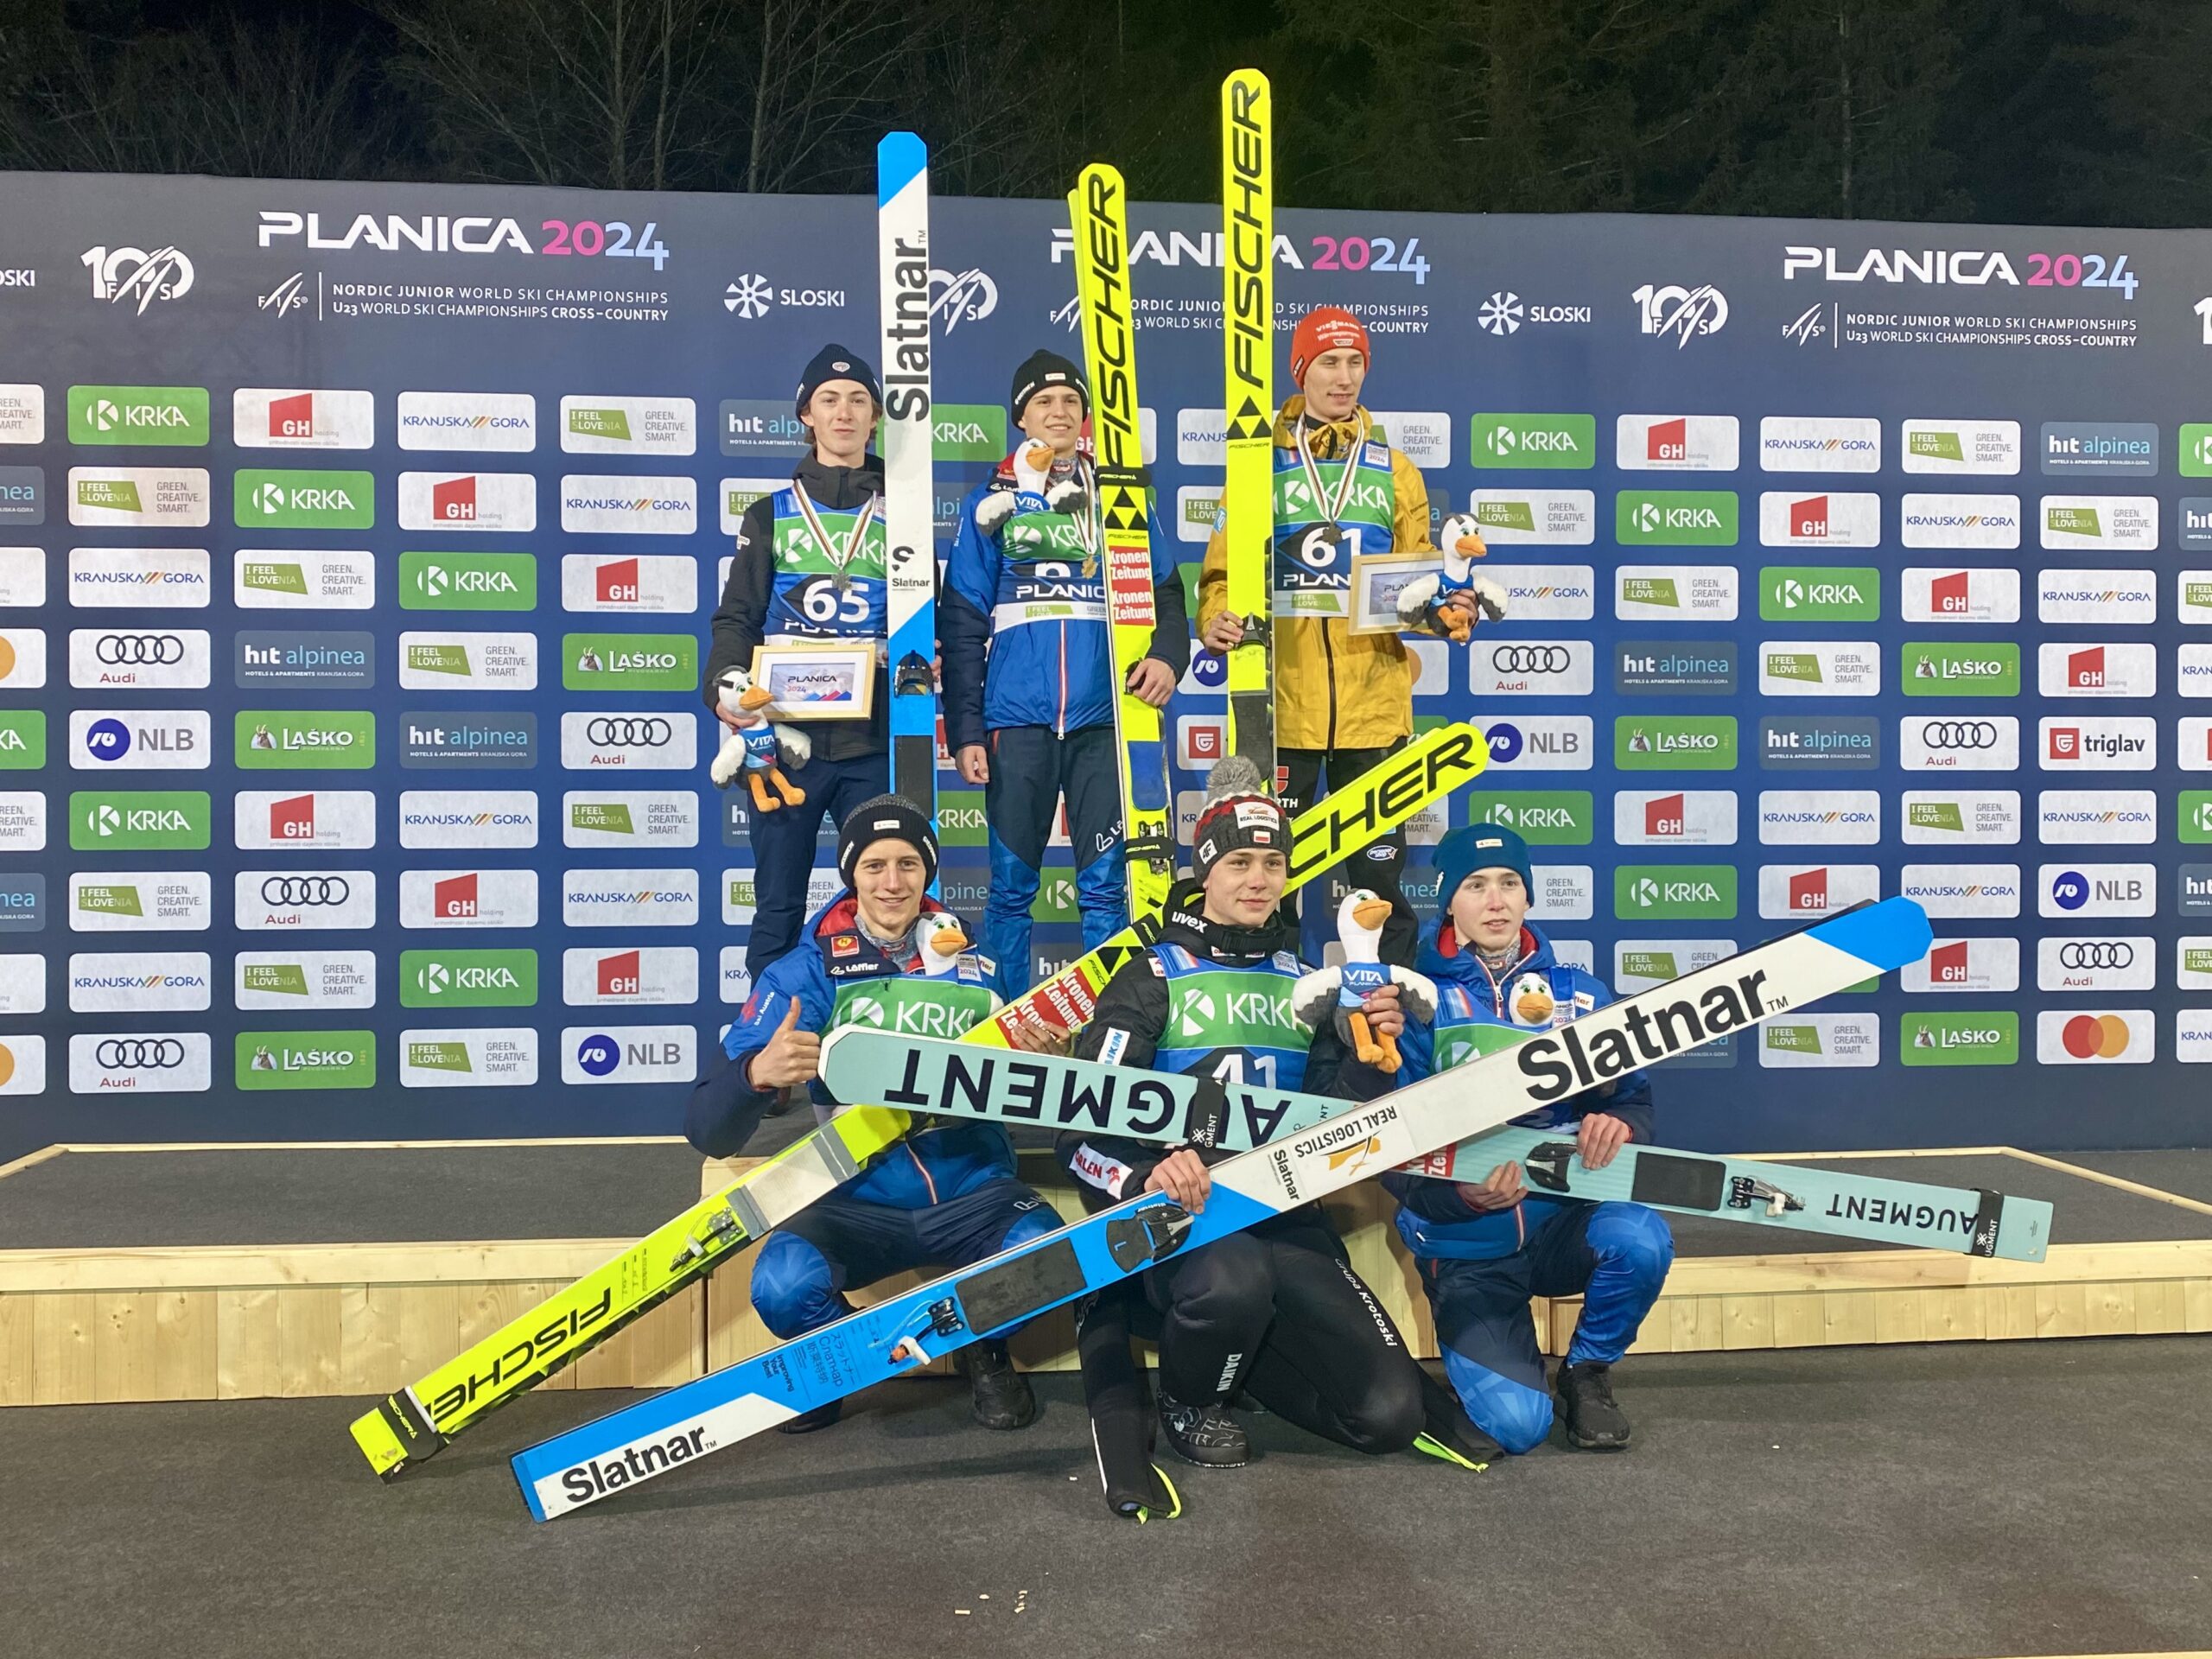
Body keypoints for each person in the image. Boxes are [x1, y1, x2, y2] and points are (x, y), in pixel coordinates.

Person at [1055, 763, 1484, 1473]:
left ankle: (1242, 1362)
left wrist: (1363, 1063)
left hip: (1285, 1219)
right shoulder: (1150, 975)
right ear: (1206, 871)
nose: (1258, 879)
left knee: (1387, 1416)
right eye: (1240, 862)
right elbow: (1078, 1134)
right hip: (1183, 1225)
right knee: (1234, 1280)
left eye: (1273, 863)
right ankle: (1191, 1398)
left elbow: (1332, 1124)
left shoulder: (1303, 980)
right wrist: (1143, 1173)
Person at [684, 797, 1064, 1433]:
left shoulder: (978, 964)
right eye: (875, 865)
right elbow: (708, 1128)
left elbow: (1035, 1083)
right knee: (782, 1287)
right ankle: (836, 1366)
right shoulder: (807, 970)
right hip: (857, 1200)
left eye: (910, 864)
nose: (893, 883)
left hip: (974, 1190)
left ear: (929, 871)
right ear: (851, 873)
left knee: (1051, 1262)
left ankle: (986, 1350)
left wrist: (1048, 1059)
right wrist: (756, 1075)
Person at [1197, 306, 1497, 962]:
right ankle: (1266, 1029)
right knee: (1264, 883)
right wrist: (1213, 616)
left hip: (1375, 704)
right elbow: (1220, 574)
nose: (1344, 378)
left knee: (1380, 887)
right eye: (1329, 362)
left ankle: (1394, 1050)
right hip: (1282, 709)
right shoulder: (1259, 468)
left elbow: (1421, 581)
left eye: (1355, 362)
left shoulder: (1395, 468)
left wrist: (1446, 611)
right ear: (1301, 370)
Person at [1382, 823, 1676, 1453]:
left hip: (1560, 1225)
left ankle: (1587, 1373)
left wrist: (1620, 1120)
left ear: (1529, 896)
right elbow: (1389, 1153)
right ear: (1448, 901)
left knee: (1642, 1238)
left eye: (1510, 883)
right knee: (1517, 1428)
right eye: (1476, 885)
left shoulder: (1580, 994)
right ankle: (1503, 1366)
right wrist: (1461, 1198)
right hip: (1467, 1247)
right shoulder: (1415, 1001)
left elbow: (1634, 1098)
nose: (1496, 900)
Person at [941, 349, 1190, 998]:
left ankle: (1107, 1027)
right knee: (1010, 892)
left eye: (1071, 404)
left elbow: (1167, 594)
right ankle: (1003, 1035)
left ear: (1085, 421)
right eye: (1043, 403)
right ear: (1021, 418)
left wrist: (1167, 656)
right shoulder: (988, 505)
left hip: (1104, 719)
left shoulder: (1120, 501)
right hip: (1015, 723)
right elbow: (963, 624)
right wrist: (965, 730)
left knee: (1108, 891)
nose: (1059, 413)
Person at [703, 344, 894, 982]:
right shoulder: (771, 514)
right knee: (779, 906)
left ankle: (877, 1049)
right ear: (806, 415)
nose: (845, 413)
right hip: (785, 742)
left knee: (888, 909)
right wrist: (725, 686)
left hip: (874, 741)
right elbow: (736, 619)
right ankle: (767, 1068)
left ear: (876, 419)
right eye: (829, 400)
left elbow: (933, 622)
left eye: (859, 401)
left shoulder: (905, 512)